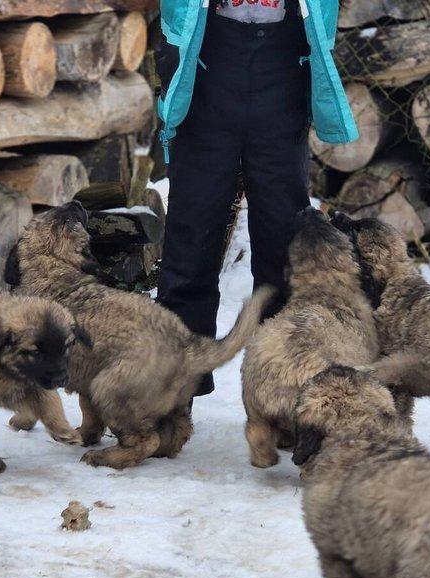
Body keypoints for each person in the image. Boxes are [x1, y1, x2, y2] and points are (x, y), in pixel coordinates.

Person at [154, 0, 359, 395]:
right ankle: (175, 395)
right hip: (206, 65)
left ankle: (278, 391)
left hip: (283, 71)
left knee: (284, 249)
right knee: (190, 240)